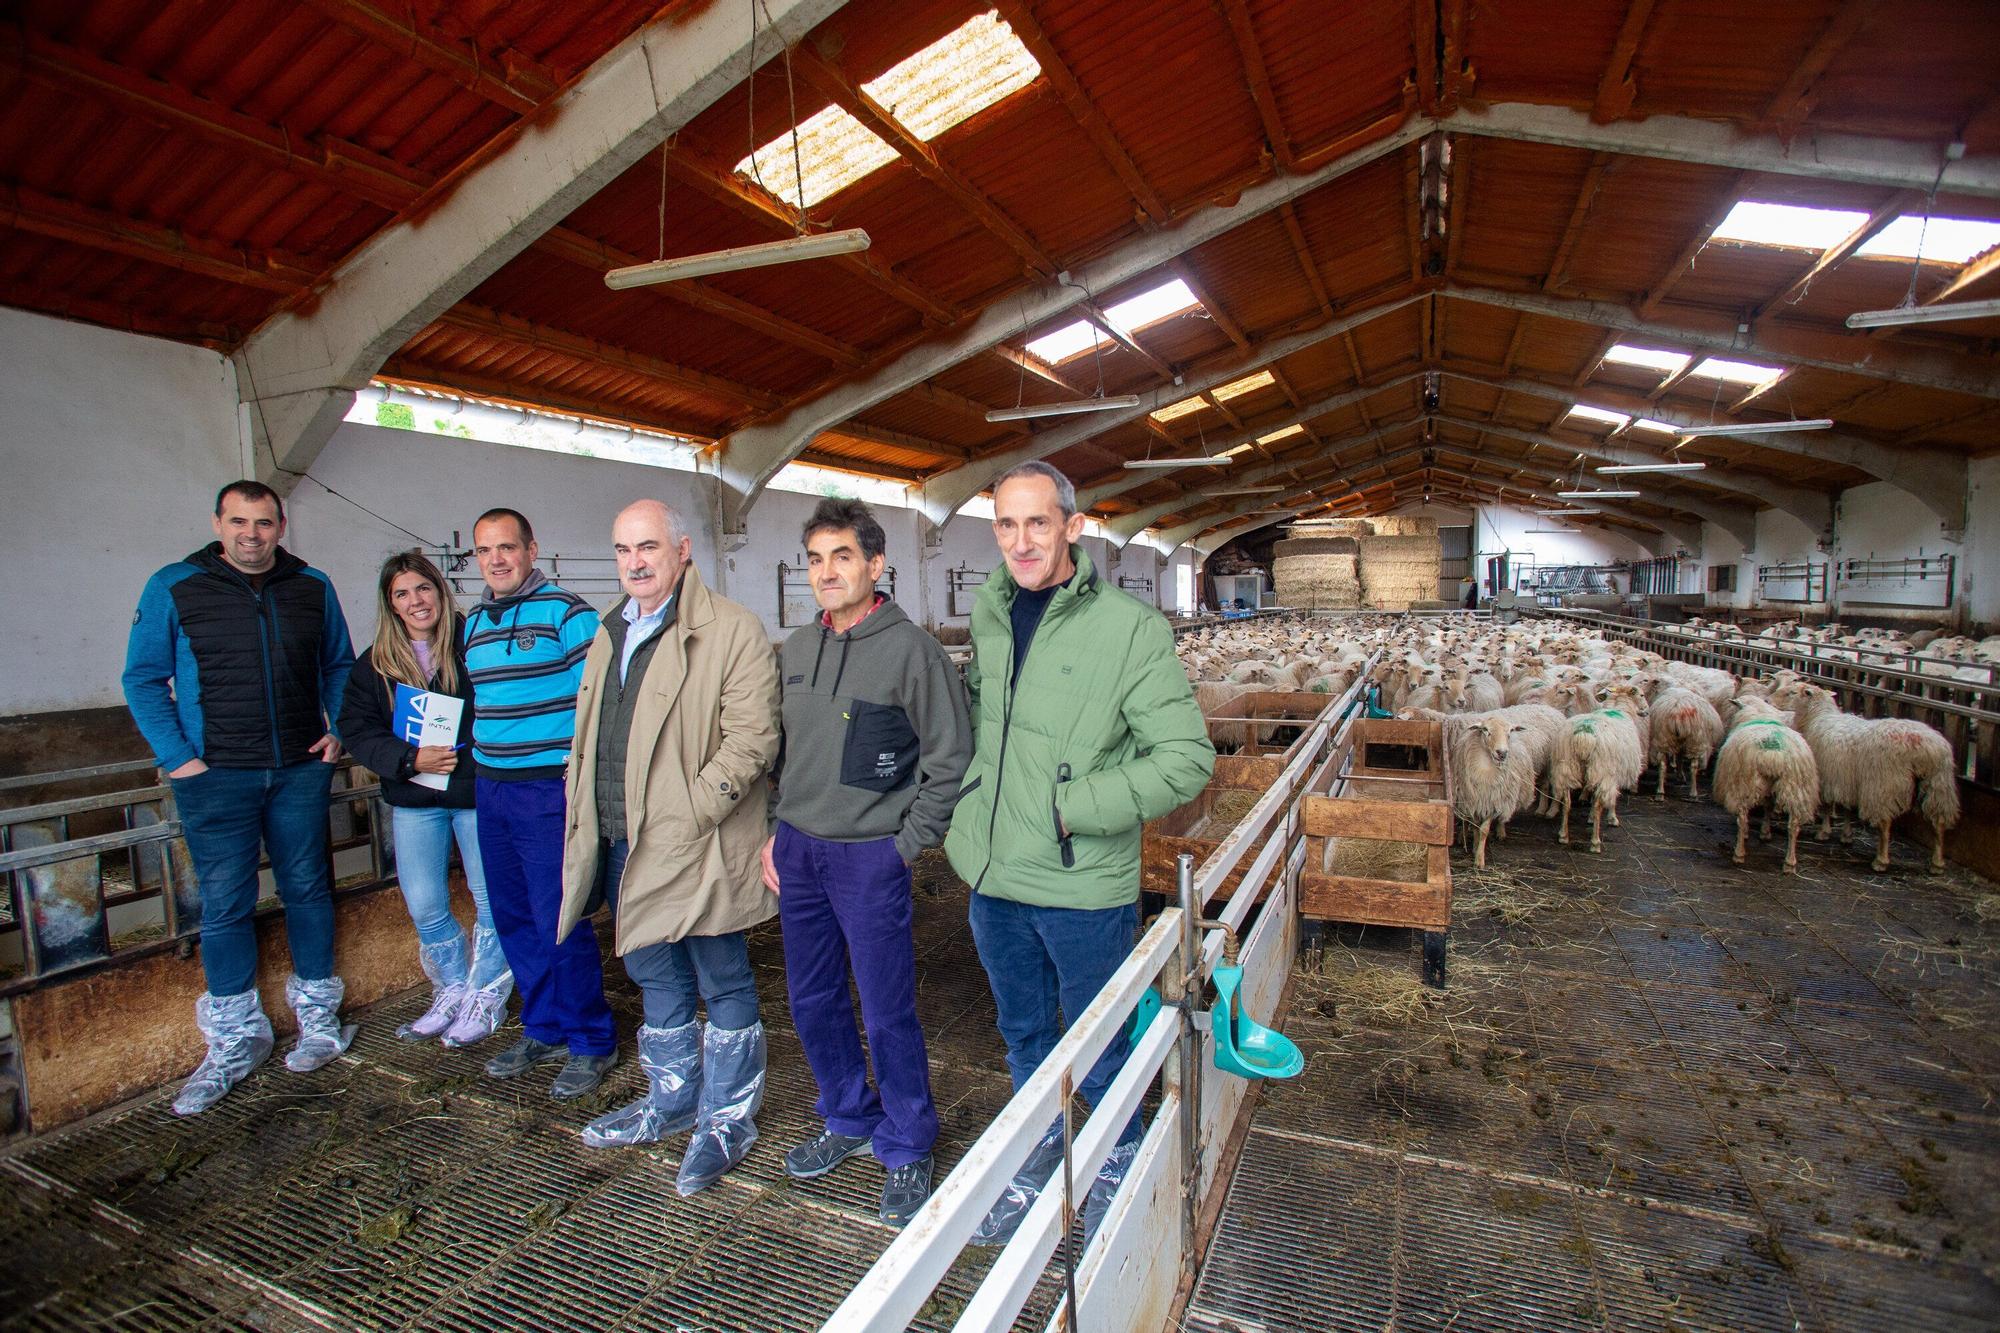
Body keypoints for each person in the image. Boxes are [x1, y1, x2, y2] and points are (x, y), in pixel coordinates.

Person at [945, 461, 1214, 1244]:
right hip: (994, 878)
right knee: (1023, 1031)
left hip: (1079, 884)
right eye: (1005, 524)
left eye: (1036, 522)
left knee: (1097, 1050)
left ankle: (1118, 1164)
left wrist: (1073, 807)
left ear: (1073, 524)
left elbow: (1187, 757)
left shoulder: (1129, 629)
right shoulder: (989, 615)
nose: (1020, 540)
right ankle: (1044, 1156)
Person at [555, 499, 781, 1197]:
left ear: (683, 550)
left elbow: (753, 738)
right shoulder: (608, 629)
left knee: (722, 973)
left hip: (695, 841)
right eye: (623, 550)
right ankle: (673, 1095)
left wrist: (690, 812)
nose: (635, 562)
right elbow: (593, 729)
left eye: (648, 546)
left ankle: (727, 1118)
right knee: (653, 971)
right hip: (623, 837)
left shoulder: (732, 629)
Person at [760, 498, 971, 1227]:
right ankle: (847, 1116)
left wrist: (904, 845)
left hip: (868, 856)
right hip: (799, 849)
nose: (826, 571)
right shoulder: (794, 645)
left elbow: (950, 758)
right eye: (815, 559)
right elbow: (783, 754)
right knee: (811, 998)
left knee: (885, 1006)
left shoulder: (912, 650)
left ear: (876, 566)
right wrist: (774, 827)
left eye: (841, 556)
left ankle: (908, 1140)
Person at [123, 480, 357, 1116]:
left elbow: (338, 664)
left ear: (281, 526)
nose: (251, 535)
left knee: (307, 887)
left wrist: (337, 727)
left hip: (299, 768)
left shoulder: (312, 586)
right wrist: (181, 760)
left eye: (262, 523)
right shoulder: (174, 585)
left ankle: (318, 1018)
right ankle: (234, 1037)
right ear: (217, 524)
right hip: (215, 774)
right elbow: (142, 679)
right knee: (225, 902)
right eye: (238, 522)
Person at [462, 508, 617, 1098]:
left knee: (560, 914)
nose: (496, 560)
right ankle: (543, 1023)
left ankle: (589, 1038)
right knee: (512, 915)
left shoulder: (568, 614)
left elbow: (598, 699)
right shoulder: (473, 622)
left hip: (548, 787)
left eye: (507, 547)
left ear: (532, 549)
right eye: (484, 550)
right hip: (492, 786)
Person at [340, 551, 513, 1047]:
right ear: (391, 604)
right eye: (402, 594)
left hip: (474, 791)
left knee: (489, 897)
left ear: (440, 591)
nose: (416, 601)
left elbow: (505, 704)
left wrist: (477, 758)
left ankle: (486, 992)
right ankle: (452, 988)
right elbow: (357, 727)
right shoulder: (376, 663)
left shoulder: (472, 643)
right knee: (425, 902)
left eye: (423, 589)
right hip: (414, 798)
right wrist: (408, 759)